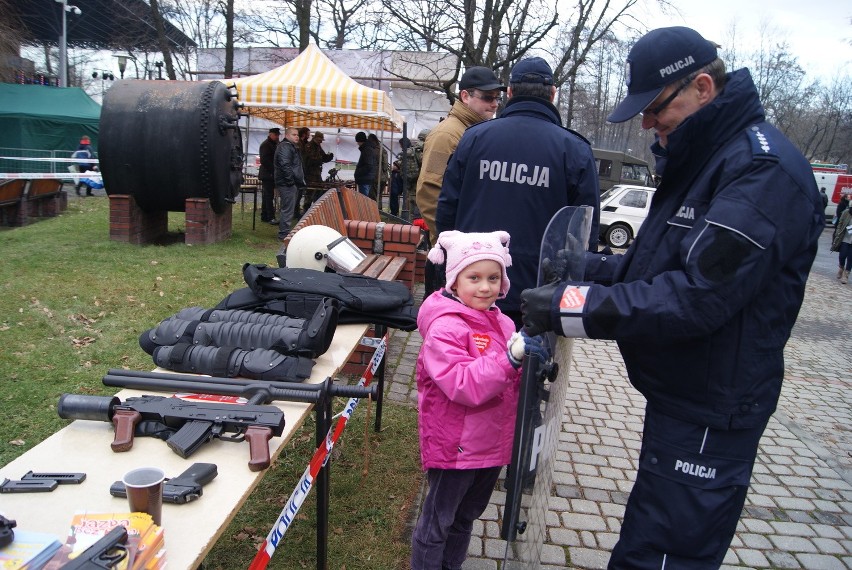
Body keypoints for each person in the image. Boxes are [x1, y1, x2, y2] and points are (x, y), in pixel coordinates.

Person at [519, 27, 824, 568]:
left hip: (712, 405)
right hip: (685, 394)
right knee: (649, 534)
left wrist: (571, 308)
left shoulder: (760, 171)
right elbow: (658, 268)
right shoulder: (709, 159)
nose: (647, 124)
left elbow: (694, 298)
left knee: (662, 556)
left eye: (655, 109)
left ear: (702, 87)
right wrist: (581, 269)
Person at [410, 229, 545, 570]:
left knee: (466, 517)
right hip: (455, 446)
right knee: (438, 521)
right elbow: (463, 383)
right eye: (474, 277)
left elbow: (510, 378)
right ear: (454, 281)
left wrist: (531, 360)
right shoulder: (445, 328)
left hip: (491, 444)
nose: (485, 287)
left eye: (493, 277)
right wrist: (510, 360)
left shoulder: (500, 321)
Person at [436, 57, 600, 328]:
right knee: (526, 367)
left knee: (467, 363)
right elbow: (585, 235)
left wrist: (451, 268)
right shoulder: (574, 150)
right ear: (553, 93)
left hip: (473, 287)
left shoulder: (474, 138)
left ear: (509, 92)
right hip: (540, 296)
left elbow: (446, 211)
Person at [417, 66, 505, 297]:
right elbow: (428, 191)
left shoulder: (472, 132)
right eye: (487, 97)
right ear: (465, 96)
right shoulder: (447, 135)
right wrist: (450, 241)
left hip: (466, 252)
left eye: (497, 97)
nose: (494, 104)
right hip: (452, 253)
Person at [273, 127, 307, 240]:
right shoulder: (285, 147)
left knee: (289, 208)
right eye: (294, 134)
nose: (297, 136)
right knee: (287, 209)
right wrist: (290, 182)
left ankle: (285, 232)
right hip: (287, 183)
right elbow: (285, 165)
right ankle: (284, 234)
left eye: (297, 134)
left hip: (289, 182)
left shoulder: (289, 146)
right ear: (287, 135)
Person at [302, 131, 334, 211]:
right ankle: (306, 210)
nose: (321, 141)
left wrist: (329, 157)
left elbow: (323, 157)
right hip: (310, 174)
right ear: (316, 138)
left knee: (319, 190)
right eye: (320, 139)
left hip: (317, 173)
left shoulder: (318, 146)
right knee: (309, 192)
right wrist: (320, 159)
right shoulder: (309, 146)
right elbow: (310, 160)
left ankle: (315, 209)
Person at [258, 127, 280, 224]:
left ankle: (265, 215)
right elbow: (264, 160)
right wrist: (274, 170)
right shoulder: (266, 145)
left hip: (270, 173)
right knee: (268, 196)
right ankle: (270, 217)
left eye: (278, 135)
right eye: (276, 135)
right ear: (270, 134)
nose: (277, 137)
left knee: (267, 196)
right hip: (268, 174)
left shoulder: (274, 144)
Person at [831, 202, 852, 284]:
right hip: (845, 238)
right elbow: (840, 223)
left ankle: (846, 275)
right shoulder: (846, 212)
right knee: (842, 255)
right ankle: (841, 267)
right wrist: (838, 232)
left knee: (850, 258)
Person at [354, 131, 378, 197]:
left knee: (364, 200)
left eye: (357, 142)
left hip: (365, 179)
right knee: (365, 199)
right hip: (367, 178)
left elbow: (368, 165)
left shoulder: (367, 149)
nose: (357, 144)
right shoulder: (369, 148)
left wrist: (358, 172)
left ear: (359, 141)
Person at [368, 133, 389, 203]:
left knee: (373, 197)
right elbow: (385, 164)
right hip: (384, 176)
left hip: (375, 176)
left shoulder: (373, 150)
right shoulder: (383, 149)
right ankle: (379, 211)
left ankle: (375, 212)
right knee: (379, 196)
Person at [295, 127, 311, 215]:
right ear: (304, 134)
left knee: (299, 193)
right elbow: (302, 158)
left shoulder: (304, 143)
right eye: (308, 134)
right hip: (299, 171)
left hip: (302, 171)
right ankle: (295, 211)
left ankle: (296, 210)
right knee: (297, 193)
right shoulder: (300, 144)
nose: (309, 136)